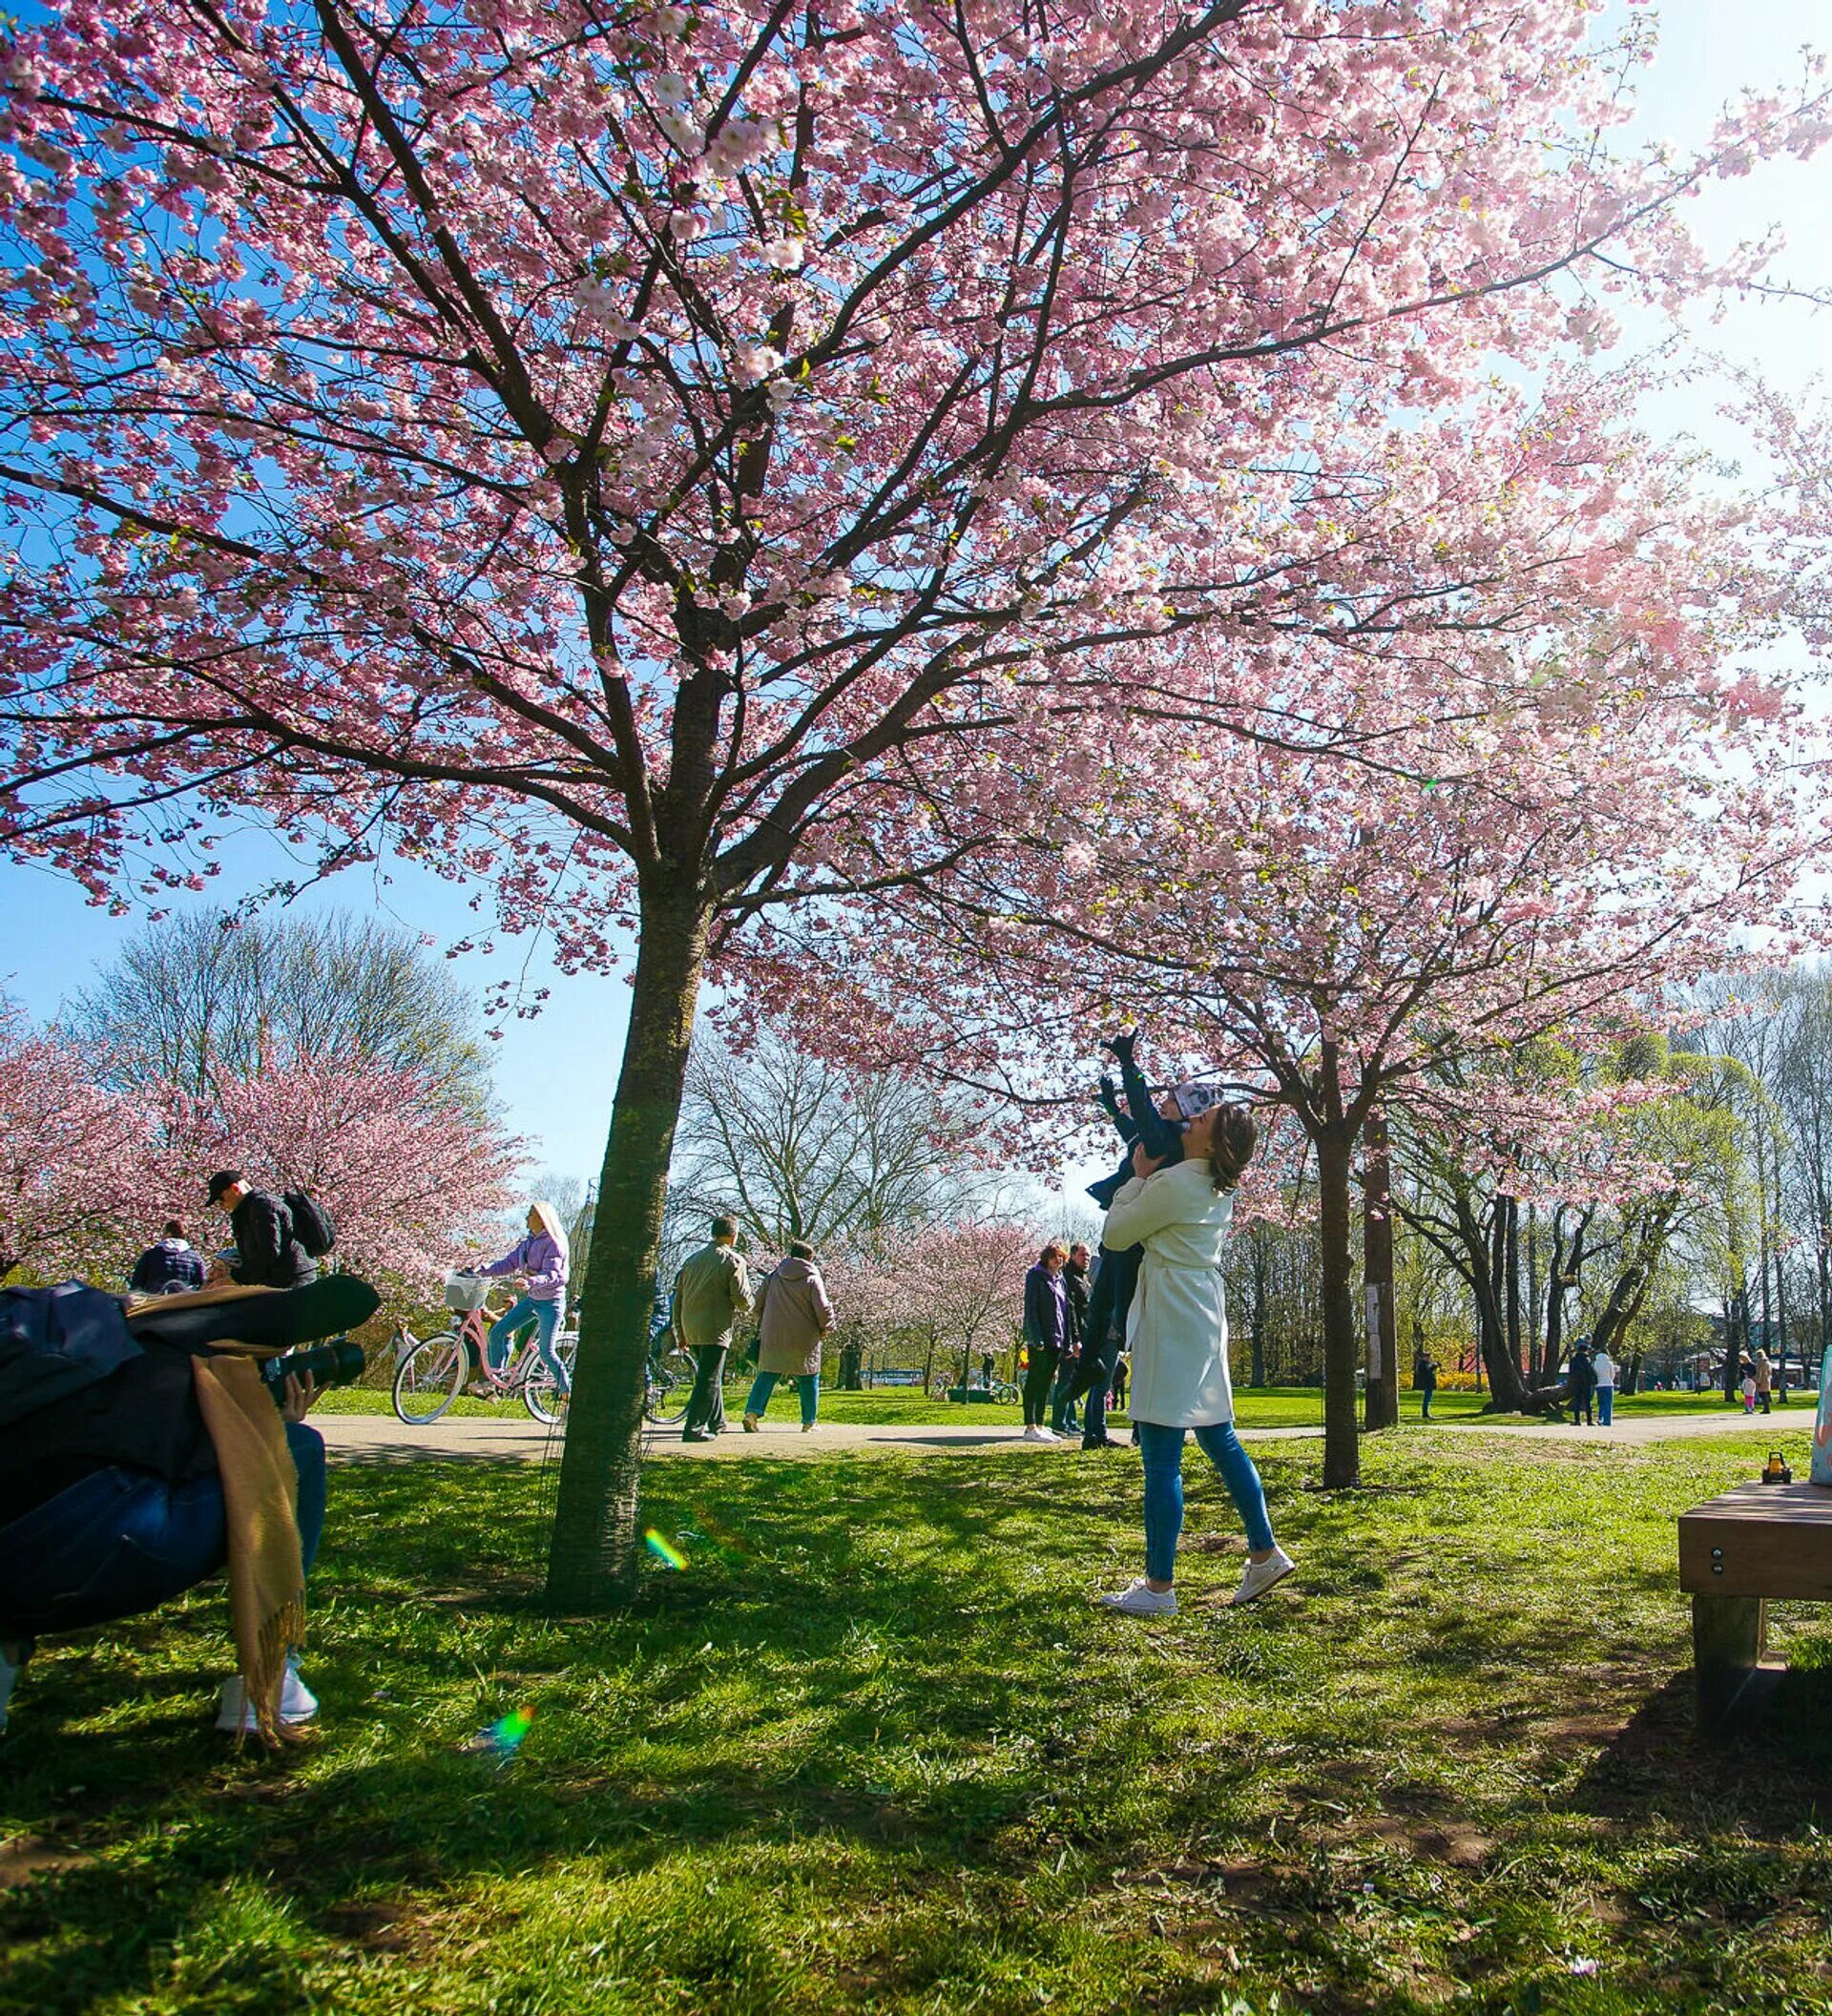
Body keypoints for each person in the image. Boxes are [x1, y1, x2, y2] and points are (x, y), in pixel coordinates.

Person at [0, 1273, 379, 1741]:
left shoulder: (45, 1336)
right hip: (90, 1534)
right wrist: (266, 1419)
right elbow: (351, 1298)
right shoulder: (186, 1329)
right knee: (294, 1446)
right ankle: (270, 1674)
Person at [1095, 1102, 1295, 1615]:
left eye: (1204, 1120)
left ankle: (1159, 1588)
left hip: (1171, 1312)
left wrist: (1135, 1179)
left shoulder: (1175, 1183)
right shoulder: (1213, 1186)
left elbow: (1115, 1235)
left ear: (1211, 1143)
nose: (1193, 1119)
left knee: (1161, 1454)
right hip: (1203, 1310)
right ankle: (1264, 1550)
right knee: (1219, 1437)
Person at [477, 1201, 571, 1396]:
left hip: (551, 1303)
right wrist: (482, 1271)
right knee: (497, 1333)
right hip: (533, 1300)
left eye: (530, 1214)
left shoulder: (554, 1244)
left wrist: (532, 1282)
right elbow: (508, 1263)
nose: (526, 1218)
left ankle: (566, 1389)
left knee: (546, 1352)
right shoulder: (528, 1243)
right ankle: (497, 1381)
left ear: (542, 1218)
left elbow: (554, 1275)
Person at [674, 1216, 754, 1443]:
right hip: (715, 1327)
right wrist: (751, 1304)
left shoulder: (691, 1260)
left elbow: (678, 1299)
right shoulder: (733, 1261)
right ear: (733, 1235)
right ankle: (694, 1428)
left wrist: (680, 1332)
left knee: (710, 1374)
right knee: (708, 1379)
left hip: (691, 1326)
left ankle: (717, 1422)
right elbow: (740, 1298)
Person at [742, 1241, 836, 1433]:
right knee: (809, 1377)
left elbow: (757, 1303)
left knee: (767, 1374)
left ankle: (752, 1414)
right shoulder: (812, 1278)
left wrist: (765, 1321)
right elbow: (823, 1308)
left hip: (774, 1334)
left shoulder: (773, 1276)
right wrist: (827, 1327)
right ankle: (809, 1421)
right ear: (809, 1258)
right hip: (804, 1337)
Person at [204, 1170, 317, 1290]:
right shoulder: (251, 1208)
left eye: (221, 1199)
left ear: (235, 1189)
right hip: (284, 1276)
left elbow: (269, 1251)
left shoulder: (261, 1207)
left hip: (289, 1279)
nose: (221, 1205)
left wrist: (235, 1279)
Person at [1021, 1241, 1069, 1443]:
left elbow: (1065, 1311)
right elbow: (1031, 1308)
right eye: (1053, 1256)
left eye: (1060, 1257)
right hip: (1040, 1337)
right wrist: (1036, 1336)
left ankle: (1040, 1425)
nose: (1057, 1260)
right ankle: (1030, 1426)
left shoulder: (1061, 1280)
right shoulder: (1035, 1276)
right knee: (1034, 1381)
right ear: (1046, 1258)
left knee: (1045, 1383)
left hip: (1056, 1338)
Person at [1049, 1242, 1092, 1436]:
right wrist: (1074, 1339)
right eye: (1083, 1255)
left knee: (1073, 1379)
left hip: (1081, 1335)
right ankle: (1060, 1422)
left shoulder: (1082, 1278)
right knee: (1066, 1380)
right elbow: (1070, 1311)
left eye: (1088, 1255)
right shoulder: (1069, 1278)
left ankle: (1070, 1422)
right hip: (1072, 1338)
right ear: (1073, 1256)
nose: (1087, 1259)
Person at [128, 1219, 207, 1298]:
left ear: (168, 1234)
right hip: (184, 1302)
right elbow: (202, 1285)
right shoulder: (195, 1258)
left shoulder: (151, 1255)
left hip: (154, 1302)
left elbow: (137, 1283)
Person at [1568, 1342, 1596, 1426]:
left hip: (1576, 1382)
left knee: (1577, 1401)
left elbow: (1571, 1372)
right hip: (1586, 1383)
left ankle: (1577, 1420)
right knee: (1587, 1401)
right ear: (1585, 1350)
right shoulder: (1587, 1359)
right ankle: (1589, 1420)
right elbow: (1590, 1371)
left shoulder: (1573, 1360)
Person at [1591, 1341, 1616, 1426]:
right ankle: (1607, 1421)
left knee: (1601, 1403)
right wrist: (1610, 1380)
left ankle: (1600, 1418)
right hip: (1608, 1384)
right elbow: (1612, 1374)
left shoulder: (1595, 1363)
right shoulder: (1609, 1363)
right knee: (1608, 1403)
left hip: (1599, 1385)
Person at [1414, 1349, 1439, 1422]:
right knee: (1426, 1399)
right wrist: (1433, 1367)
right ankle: (1425, 1413)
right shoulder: (1423, 1364)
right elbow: (1427, 1372)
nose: (1429, 1358)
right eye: (1428, 1356)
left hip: (1430, 1383)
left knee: (1428, 1399)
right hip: (1427, 1383)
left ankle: (1426, 1413)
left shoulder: (1426, 1363)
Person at [1755, 1348, 1774, 1415]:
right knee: (1766, 1394)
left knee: (1762, 1394)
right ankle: (1767, 1408)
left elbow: (1759, 1373)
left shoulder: (1760, 1363)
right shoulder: (1768, 1362)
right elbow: (1770, 1372)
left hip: (1762, 1380)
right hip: (1767, 1380)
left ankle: (1766, 1408)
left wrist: (1758, 1381)